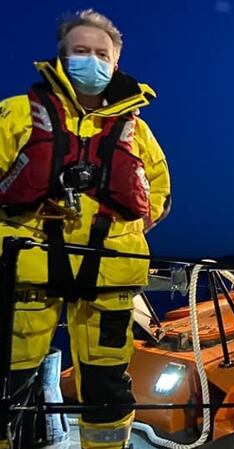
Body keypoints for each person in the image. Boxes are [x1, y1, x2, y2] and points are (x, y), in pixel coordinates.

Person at [0, 9, 171, 448]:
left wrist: (119, 232)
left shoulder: (137, 129)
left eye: (101, 53)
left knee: (108, 390)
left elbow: (159, 196)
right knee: (8, 382)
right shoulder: (15, 114)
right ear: (62, 58)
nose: (91, 60)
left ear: (115, 63)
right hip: (26, 278)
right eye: (81, 51)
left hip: (109, 279)